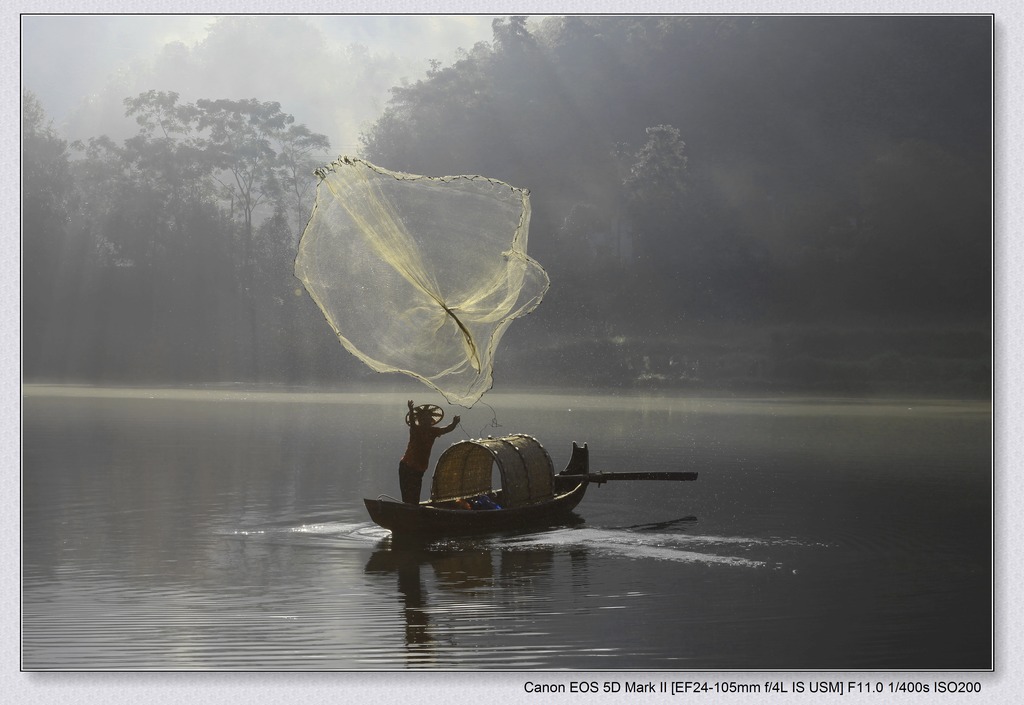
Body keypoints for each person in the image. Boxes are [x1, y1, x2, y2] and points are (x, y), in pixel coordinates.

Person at [399, 400, 460, 504]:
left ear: (430, 420)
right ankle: (409, 511)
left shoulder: (433, 432)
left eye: (428, 418)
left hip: (419, 469)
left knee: (415, 495)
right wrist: (410, 409)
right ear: (420, 420)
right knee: (407, 494)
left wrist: (454, 423)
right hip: (407, 466)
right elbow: (412, 423)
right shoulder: (415, 429)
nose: (426, 420)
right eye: (424, 418)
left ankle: (413, 511)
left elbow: (447, 429)